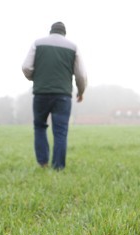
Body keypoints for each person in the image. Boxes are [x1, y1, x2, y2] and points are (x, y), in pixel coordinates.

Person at [22, 22, 87, 170]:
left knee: (39, 127)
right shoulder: (72, 47)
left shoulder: (37, 43)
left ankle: (43, 163)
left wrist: (36, 78)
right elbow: (81, 75)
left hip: (41, 93)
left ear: (51, 31)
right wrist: (81, 91)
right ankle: (58, 167)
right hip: (63, 95)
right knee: (60, 131)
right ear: (64, 33)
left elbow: (26, 67)